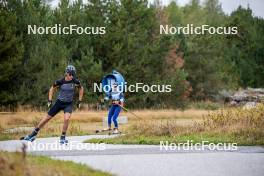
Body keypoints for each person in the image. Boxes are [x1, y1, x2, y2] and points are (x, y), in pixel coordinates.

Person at [21, 65, 84, 144]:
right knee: (47, 118)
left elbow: (81, 88)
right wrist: (49, 100)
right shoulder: (60, 81)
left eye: (73, 74)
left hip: (68, 104)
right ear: (67, 73)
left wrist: (79, 100)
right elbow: (52, 88)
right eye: (70, 74)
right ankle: (33, 134)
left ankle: (62, 137)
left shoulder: (75, 81)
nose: (72, 76)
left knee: (67, 118)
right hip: (59, 103)